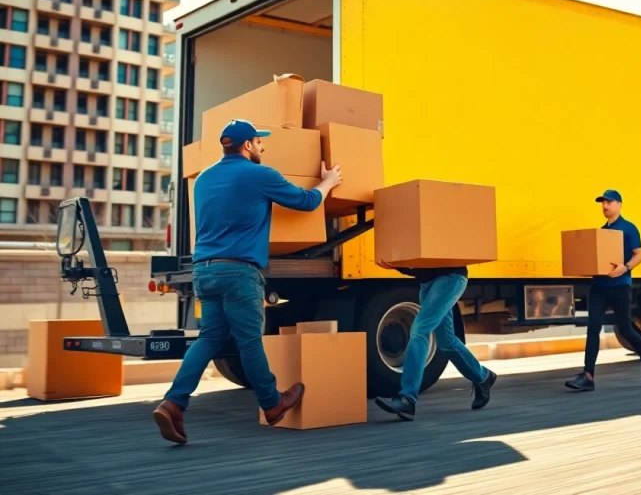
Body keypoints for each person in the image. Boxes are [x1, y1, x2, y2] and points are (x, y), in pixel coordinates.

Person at [153, 119, 342, 445]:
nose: (262, 146)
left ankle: (174, 402)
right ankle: (272, 404)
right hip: (239, 272)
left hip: (204, 271)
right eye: (259, 141)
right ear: (247, 145)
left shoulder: (203, 179)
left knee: (209, 339)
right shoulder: (260, 174)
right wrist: (329, 181)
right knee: (250, 341)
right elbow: (308, 202)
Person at [373, 264, 497, 421]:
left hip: (449, 278)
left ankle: (407, 398)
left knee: (419, 330)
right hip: (427, 283)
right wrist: (396, 264)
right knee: (446, 340)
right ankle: (483, 377)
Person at [566, 190, 641, 392]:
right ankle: (588, 375)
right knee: (593, 328)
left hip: (619, 286)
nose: (605, 206)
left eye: (609, 202)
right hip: (599, 286)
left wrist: (625, 267)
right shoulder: (601, 232)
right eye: (602, 203)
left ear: (619, 204)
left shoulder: (628, 228)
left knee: (626, 329)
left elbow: (639, 255)